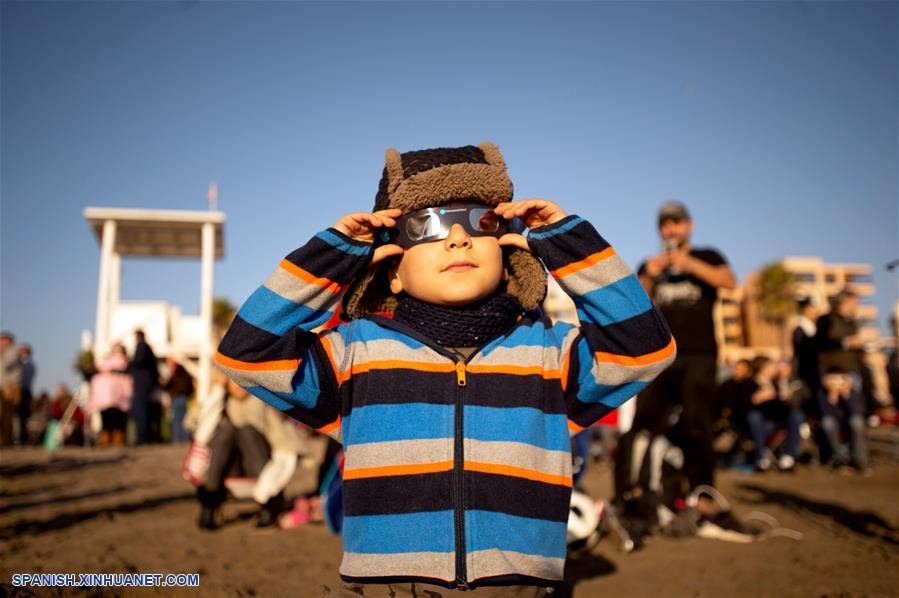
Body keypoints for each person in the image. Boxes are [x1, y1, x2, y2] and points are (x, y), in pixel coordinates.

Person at [216, 142, 675, 593]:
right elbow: (246, 353)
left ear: (508, 244)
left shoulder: (550, 353)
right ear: (391, 267)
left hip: (518, 588)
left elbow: (645, 349)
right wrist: (335, 256)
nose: (458, 237)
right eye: (426, 226)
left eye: (481, 222)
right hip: (389, 588)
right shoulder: (356, 354)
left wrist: (567, 245)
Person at [630, 201, 738, 530]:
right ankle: (639, 496)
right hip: (661, 358)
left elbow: (728, 280)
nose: (670, 229)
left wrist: (686, 263)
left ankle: (704, 497)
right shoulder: (652, 265)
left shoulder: (707, 256)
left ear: (688, 226)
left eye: (676, 223)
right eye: (665, 224)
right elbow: (635, 300)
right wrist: (649, 274)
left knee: (697, 425)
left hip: (699, 356)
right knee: (645, 425)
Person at [190, 375, 308, 530]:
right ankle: (210, 502)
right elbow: (198, 424)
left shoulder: (263, 396)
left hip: (257, 460)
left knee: (246, 431)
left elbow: (281, 432)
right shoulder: (221, 397)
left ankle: (211, 503)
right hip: (230, 462)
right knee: (229, 430)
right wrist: (217, 390)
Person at [743, 357, 805, 471]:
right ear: (763, 368)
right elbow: (743, 406)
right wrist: (756, 399)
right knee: (754, 416)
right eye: (772, 366)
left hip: (776, 422)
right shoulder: (749, 384)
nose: (775, 369)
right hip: (759, 425)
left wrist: (785, 396)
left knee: (797, 415)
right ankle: (761, 457)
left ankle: (789, 456)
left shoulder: (775, 384)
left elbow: (783, 409)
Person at [818, 367, 868, 470]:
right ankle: (841, 457)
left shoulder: (854, 391)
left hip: (850, 421)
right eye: (833, 379)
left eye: (841, 379)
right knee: (827, 422)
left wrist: (846, 394)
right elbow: (825, 412)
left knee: (857, 422)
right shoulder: (822, 392)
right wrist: (833, 395)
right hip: (833, 423)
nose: (837, 383)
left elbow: (857, 411)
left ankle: (858, 459)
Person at [88, 344, 132, 446]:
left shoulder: (124, 363)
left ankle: (116, 438)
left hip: (118, 397)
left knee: (117, 418)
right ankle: (107, 438)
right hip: (106, 397)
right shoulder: (106, 362)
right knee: (107, 418)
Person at [128, 330, 159, 445]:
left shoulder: (142, 346)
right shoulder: (147, 348)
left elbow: (138, 361)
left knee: (140, 411)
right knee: (143, 411)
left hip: (142, 385)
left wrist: (129, 364)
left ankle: (142, 437)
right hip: (145, 384)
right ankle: (144, 436)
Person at [792, 297, 820, 418]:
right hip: (807, 373)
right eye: (813, 308)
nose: (816, 311)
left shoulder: (811, 328)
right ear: (806, 309)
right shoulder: (800, 330)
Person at [163, 357, 195, 443]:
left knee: (177, 420)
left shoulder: (175, 374)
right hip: (183, 398)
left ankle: (178, 440)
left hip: (177, 398)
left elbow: (166, 385)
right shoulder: (185, 373)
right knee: (184, 420)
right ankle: (184, 439)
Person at [0, 331, 22, 447]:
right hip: (3, 387)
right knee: (3, 414)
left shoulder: (13, 352)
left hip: (11, 388)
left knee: (8, 415)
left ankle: (7, 440)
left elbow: (5, 365)